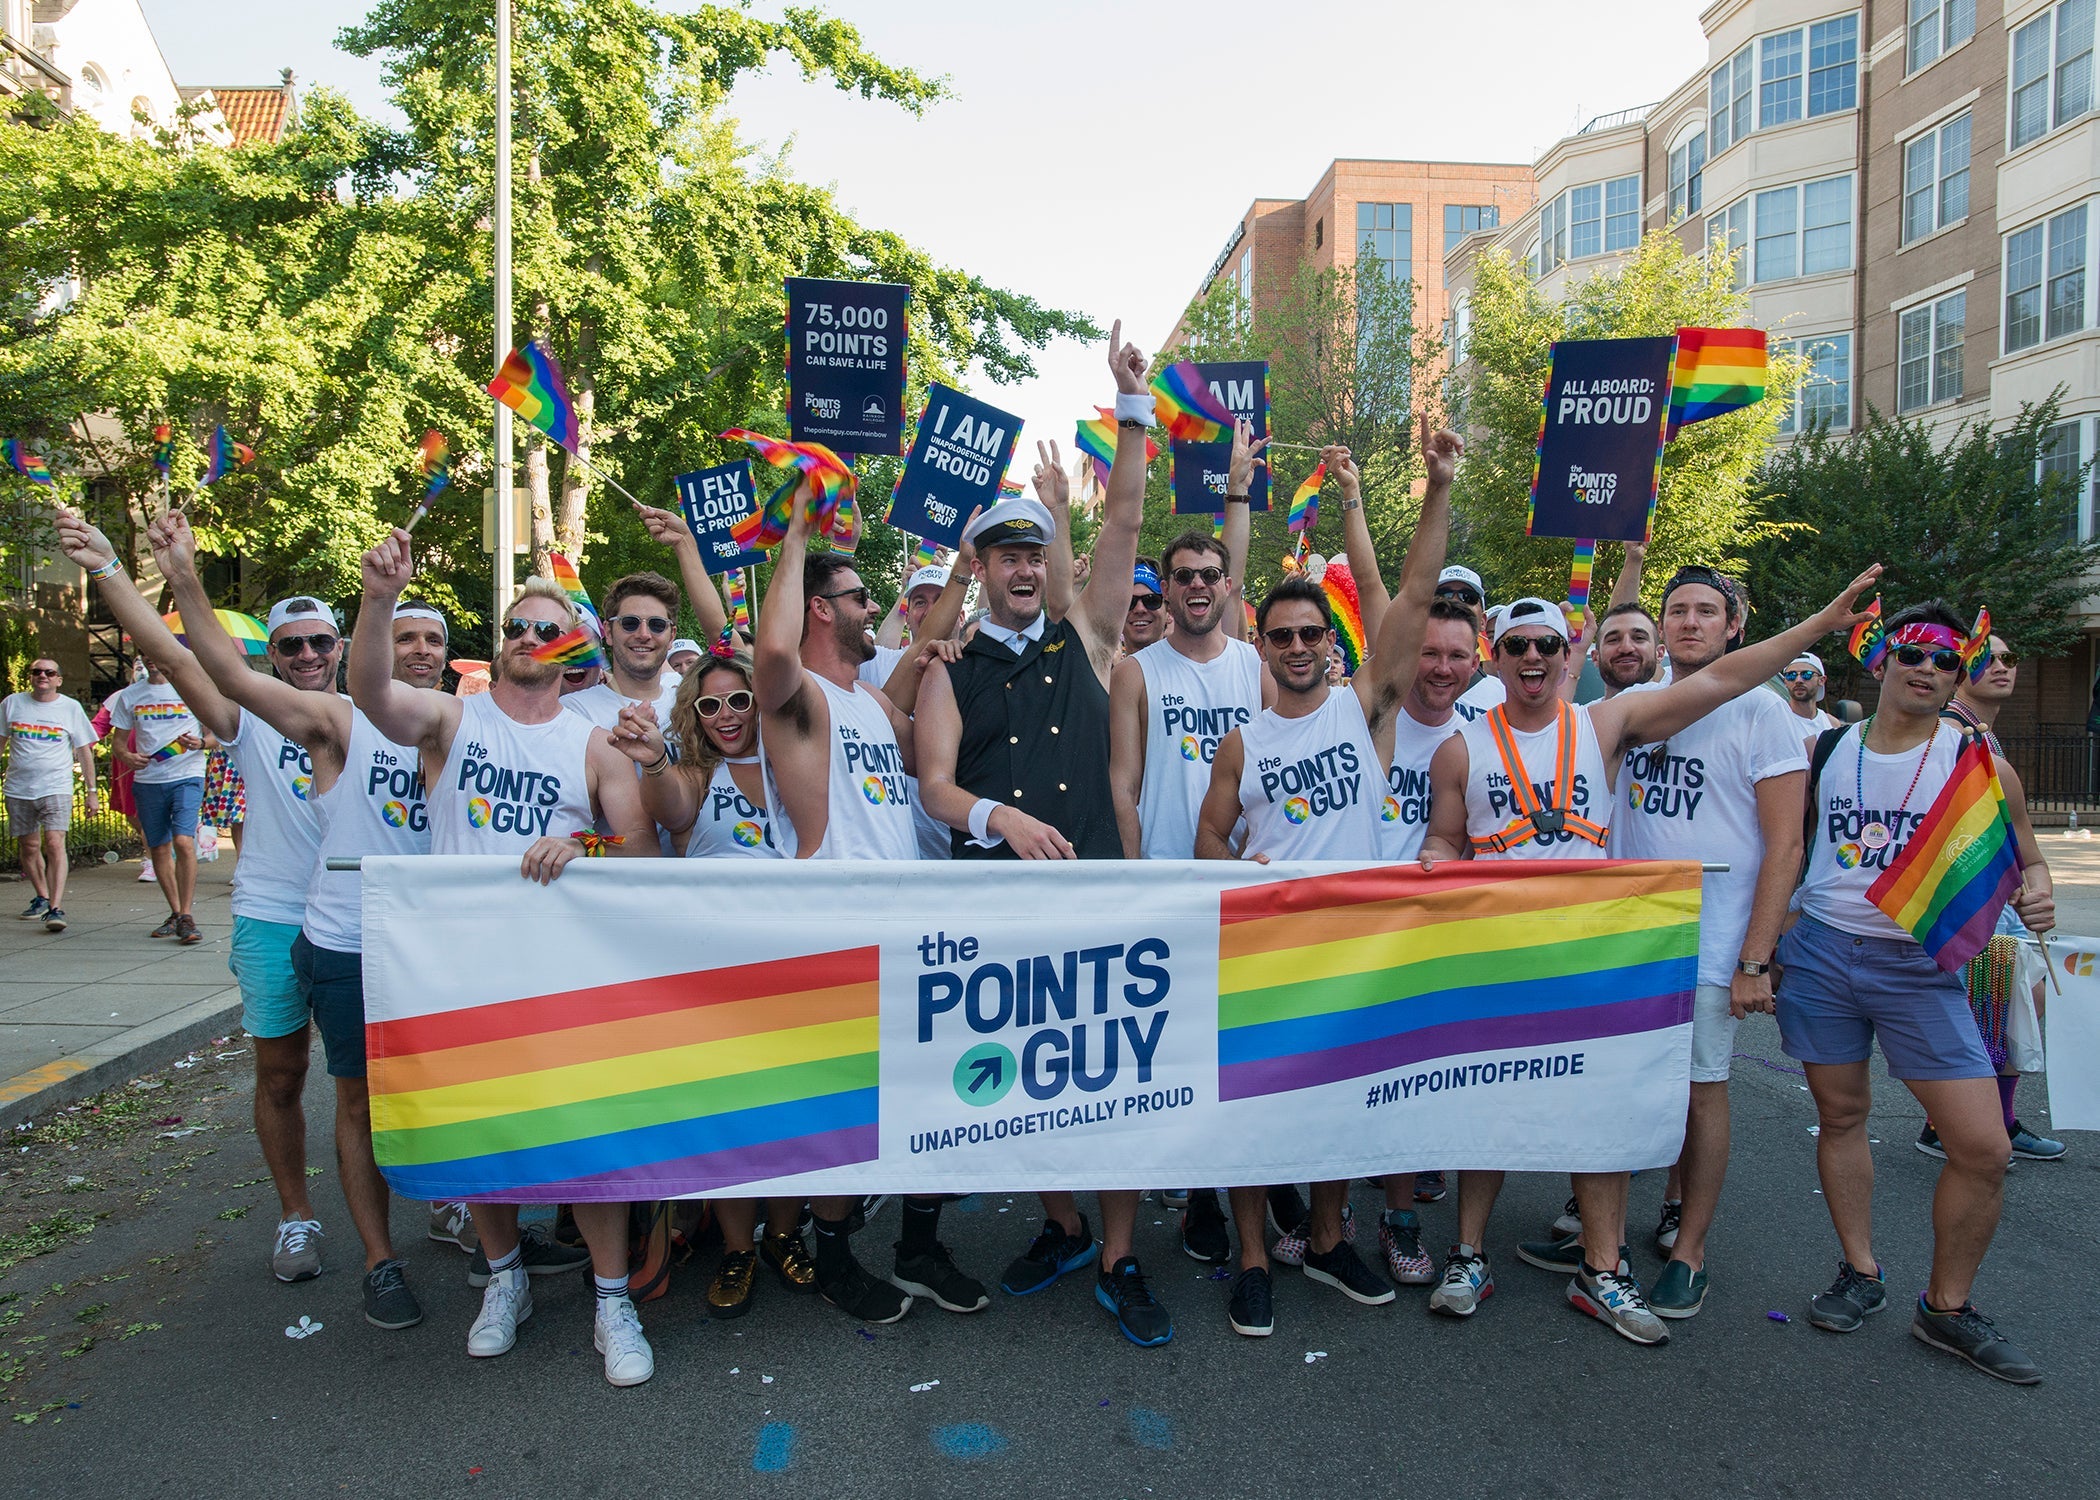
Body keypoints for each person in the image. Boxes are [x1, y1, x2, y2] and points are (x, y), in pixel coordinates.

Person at [1416, 563, 1882, 1345]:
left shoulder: (1605, 725)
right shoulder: (1460, 751)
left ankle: (1604, 1266)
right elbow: (1443, 837)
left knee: (1600, 1111)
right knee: (1486, 1099)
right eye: (1516, 646)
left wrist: (1815, 627)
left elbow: (1724, 680)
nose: (1532, 659)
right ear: (1494, 656)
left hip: (1597, 958)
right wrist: (1435, 858)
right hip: (1502, 956)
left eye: (1547, 645)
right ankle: (1468, 1254)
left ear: (1572, 655)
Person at [57, 508, 455, 1320]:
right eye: (291, 647)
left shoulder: (399, 719)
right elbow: (173, 652)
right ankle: (298, 1216)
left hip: (373, 919)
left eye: (319, 643)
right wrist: (114, 568)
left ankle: (443, 1196)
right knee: (284, 1074)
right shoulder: (251, 716)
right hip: (278, 916)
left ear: (341, 649)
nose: (307, 656)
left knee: (398, 1078)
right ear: (271, 656)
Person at [349, 527, 660, 1386]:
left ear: (574, 648)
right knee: (480, 1128)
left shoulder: (593, 743)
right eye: (515, 629)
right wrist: (379, 598)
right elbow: (373, 694)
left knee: (587, 1136)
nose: (528, 639)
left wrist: (580, 849)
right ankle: (505, 1280)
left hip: (566, 971)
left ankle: (610, 1297)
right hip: (461, 969)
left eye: (545, 629)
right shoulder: (451, 717)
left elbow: (637, 850)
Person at [915, 324, 1166, 1347]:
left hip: (1099, 901)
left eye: (1033, 550)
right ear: (978, 565)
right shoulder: (948, 667)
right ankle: (1060, 1225)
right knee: (1026, 1082)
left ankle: (1119, 1253)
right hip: (998, 910)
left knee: (1110, 1080)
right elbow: (934, 787)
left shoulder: (1092, 639)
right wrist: (999, 816)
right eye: (1004, 552)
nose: (1022, 566)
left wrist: (1133, 407)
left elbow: (1126, 524)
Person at [1195, 416, 1461, 1339]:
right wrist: (1245, 866)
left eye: (1311, 632)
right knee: (1255, 1110)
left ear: (1329, 641)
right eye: (1281, 635)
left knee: (1344, 1101)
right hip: (1269, 945)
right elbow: (1206, 843)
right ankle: (1256, 1258)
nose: (1299, 646)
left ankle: (1328, 1232)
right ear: (1260, 645)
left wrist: (1437, 488)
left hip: (1355, 946)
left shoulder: (1362, 710)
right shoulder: (1242, 742)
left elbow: (1418, 593)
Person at [1781, 601, 2053, 1384]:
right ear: (1881, 658)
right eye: (1915, 654)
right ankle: (1860, 1272)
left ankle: (1947, 1307)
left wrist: (2037, 893)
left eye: (1947, 661)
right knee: (1841, 1115)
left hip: (1921, 966)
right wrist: (1764, 955)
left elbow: (2028, 861)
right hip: (1825, 954)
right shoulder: (1824, 749)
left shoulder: (1978, 764)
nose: (1929, 669)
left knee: (1983, 1147)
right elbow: (1789, 851)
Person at [751, 459, 979, 1329]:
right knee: (854, 1114)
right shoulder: (798, 697)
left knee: (937, 1097)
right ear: (820, 608)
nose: (866, 607)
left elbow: (921, 665)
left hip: (913, 928)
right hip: (837, 937)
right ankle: (836, 1253)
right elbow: (769, 652)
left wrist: (956, 585)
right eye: (853, 597)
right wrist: (799, 529)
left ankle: (919, 1243)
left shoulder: (867, 704)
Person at [1557, 564, 1809, 1320]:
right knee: (1613, 1090)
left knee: (1701, 1095)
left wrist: (1755, 958)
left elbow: (1785, 845)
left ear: (1736, 627)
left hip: (1712, 943)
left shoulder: (1765, 715)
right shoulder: (1631, 705)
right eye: (1678, 612)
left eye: (1707, 612)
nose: (1690, 623)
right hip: (1627, 941)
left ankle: (1689, 1248)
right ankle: (1602, 1243)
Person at [608, 636, 818, 1318]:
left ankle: (784, 1236)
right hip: (716, 975)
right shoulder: (697, 772)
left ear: (763, 703)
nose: (725, 714)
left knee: (791, 1111)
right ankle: (735, 1247)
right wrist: (659, 759)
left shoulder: (801, 764)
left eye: (738, 700)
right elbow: (670, 808)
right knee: (730, 1117)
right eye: (709, 705)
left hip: (796, 965)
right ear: (693, 716)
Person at [1107, 417, 1267, 1269]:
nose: (1198, 586)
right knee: (1166, 1047)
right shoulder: (1139, 671)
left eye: (1210, 575)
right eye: (1183, 576)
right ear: (1164, 588)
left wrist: (1237, 488)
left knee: (1234, 1046)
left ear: (1226, 585)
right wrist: (1136, 879)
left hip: (1245, 884)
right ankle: (1174, 1184)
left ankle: (1217, 1193)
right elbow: (1122, 785)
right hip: (1169, 883)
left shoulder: (1256, 663)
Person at [1923, 632, 2066, 1163]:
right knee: (1981, 1023)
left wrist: (2039, 895)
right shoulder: (1946, 740)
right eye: (1987, 658)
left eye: (2009, 658)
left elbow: (2029, 853)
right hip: (1960, 916)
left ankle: (1989, 1123)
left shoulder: (1989, 743)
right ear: (1956, 670)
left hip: (1999, 915)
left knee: (2009, 1014)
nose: (2003, 666)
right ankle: (1965, 1128)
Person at [105, 652, 206, 942]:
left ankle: (186, 914)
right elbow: (119, 744)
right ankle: (176, 913)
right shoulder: (131, 695)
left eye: (156, 652)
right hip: (148, 780)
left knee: (184, 841)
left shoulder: (189, 688)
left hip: (187, 775)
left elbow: (216, 736)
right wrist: (128, 757)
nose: (151, 659)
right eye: (144, 654)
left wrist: (200, 742)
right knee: (158, 848)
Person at [5, 656, 98, 932]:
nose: (42, 676)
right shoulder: (12, 704)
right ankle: (42, 897)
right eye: (37, 672)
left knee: (55, 842)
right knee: (29, 846)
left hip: (55, 787)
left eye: (49, 672)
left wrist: (92, 791)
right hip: (19, 788)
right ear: (30, 677)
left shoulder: (70, 708)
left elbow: (84, 750)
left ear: (58, 679)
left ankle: (56, 908)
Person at [1593, 603, 1661, 698]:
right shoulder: (1582, 712)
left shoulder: (1683, 708)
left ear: (1659, 653)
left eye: (1639, 638)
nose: (1626, 648)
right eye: (1613, 640)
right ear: (1595, 657)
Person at [199, 741, 245, 861]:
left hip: (258, 752)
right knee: (237, 817)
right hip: (227, 753)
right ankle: (242, 863)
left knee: (246, 813)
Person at [1783, 653, 1839, 741]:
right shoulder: (1779, 721)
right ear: (1785, 681)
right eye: (1791, 675)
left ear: (1821, 680)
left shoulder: (1831, 724)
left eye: (1806, 674)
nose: (1798, 680)